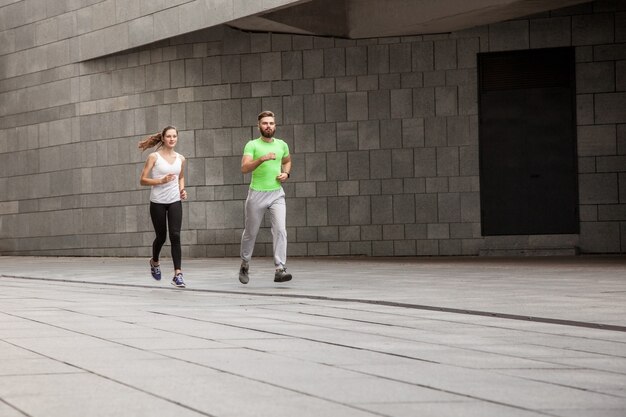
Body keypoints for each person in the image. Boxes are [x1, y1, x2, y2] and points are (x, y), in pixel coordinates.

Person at [239, 111, 292, 284]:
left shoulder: (282, 144)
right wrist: (262, 159)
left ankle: (280, 268)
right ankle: (245, 263)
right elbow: (245, 168)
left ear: (275, 125)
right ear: (259, 126)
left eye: (271, 123)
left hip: (277, 193)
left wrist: (286, 173)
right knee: (250, 232)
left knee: (280, 230)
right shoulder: (252, 145)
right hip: (257, 193)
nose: (268, 126)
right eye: (265, 123)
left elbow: (287, 161)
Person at [138, 126, 187, 288]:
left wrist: (182, 190)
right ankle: (155, 262)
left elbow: (181, 177)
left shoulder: (181, 158)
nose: (172, 139)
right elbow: (143, 180)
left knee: (175, 235)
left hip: (174, 201)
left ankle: (178, 274)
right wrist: (161, 181)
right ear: (163, 138)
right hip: (158, 201)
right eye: (169, 136)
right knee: (161, 237)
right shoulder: (154, 157)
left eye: (174, 136)